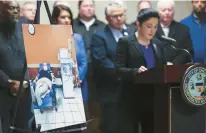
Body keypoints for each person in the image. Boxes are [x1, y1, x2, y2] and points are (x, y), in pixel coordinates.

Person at [115, 8, 166, 133]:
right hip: (131, 98)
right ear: (138, 24)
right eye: (149, 26)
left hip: (153, 98)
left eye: (155, 26)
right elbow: (118, 69)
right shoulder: (126, 42)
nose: (152, 30)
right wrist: (135, 71)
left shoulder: (158, 44)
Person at [91, 1, 132, 133]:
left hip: (131, 89)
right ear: (107, 18)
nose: (119, 18)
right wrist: (124, 72)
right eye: (115, 16)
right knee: (111, 126)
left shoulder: (132, 32)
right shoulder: (99, 35)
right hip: (110, 90)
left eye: (121, 15)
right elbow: (101, 61)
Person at [51, 4, 88, 133]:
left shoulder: (77, 38)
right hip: (56, 89)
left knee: (77, 128)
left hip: (77, 88)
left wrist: (77, 79)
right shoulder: (48, 38)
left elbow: (83, 62)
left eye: (69, 17)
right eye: (63, 17)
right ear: (55, 19)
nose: (67, 20)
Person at [0, 0, 31, 133]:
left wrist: (25, 81)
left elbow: (34, 54)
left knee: (23, 127)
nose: (15, 12)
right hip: (3, 90)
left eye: (17, 9)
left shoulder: (26, 26)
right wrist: (8, 82)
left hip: (25, 89)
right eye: (11, 9)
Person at [155, 0, 194, 64]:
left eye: (169, 10)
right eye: (163, 10)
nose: (167, 13)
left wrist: (174, 63)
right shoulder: (151, 30)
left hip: (178, 68)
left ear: (173, 12)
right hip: (157, 69)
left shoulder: (183, 29)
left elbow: (188, 51)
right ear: (158, 12)